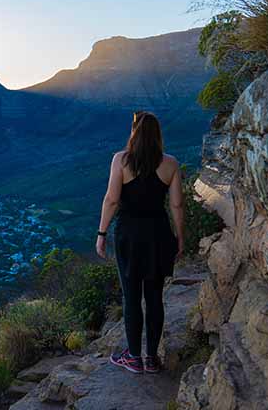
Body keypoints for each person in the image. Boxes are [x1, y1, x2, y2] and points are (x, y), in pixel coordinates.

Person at [95, 111, 184, 374]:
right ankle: (152, 359)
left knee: (131, 297)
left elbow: (111, 200)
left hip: (128, 235)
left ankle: (133, 357)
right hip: (158, 234)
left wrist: (101, 234)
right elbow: (177, 204)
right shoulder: (170, 163)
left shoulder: (120, 160)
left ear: (134, 133)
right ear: (158, 135)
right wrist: (181, 238)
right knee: (155, 297)